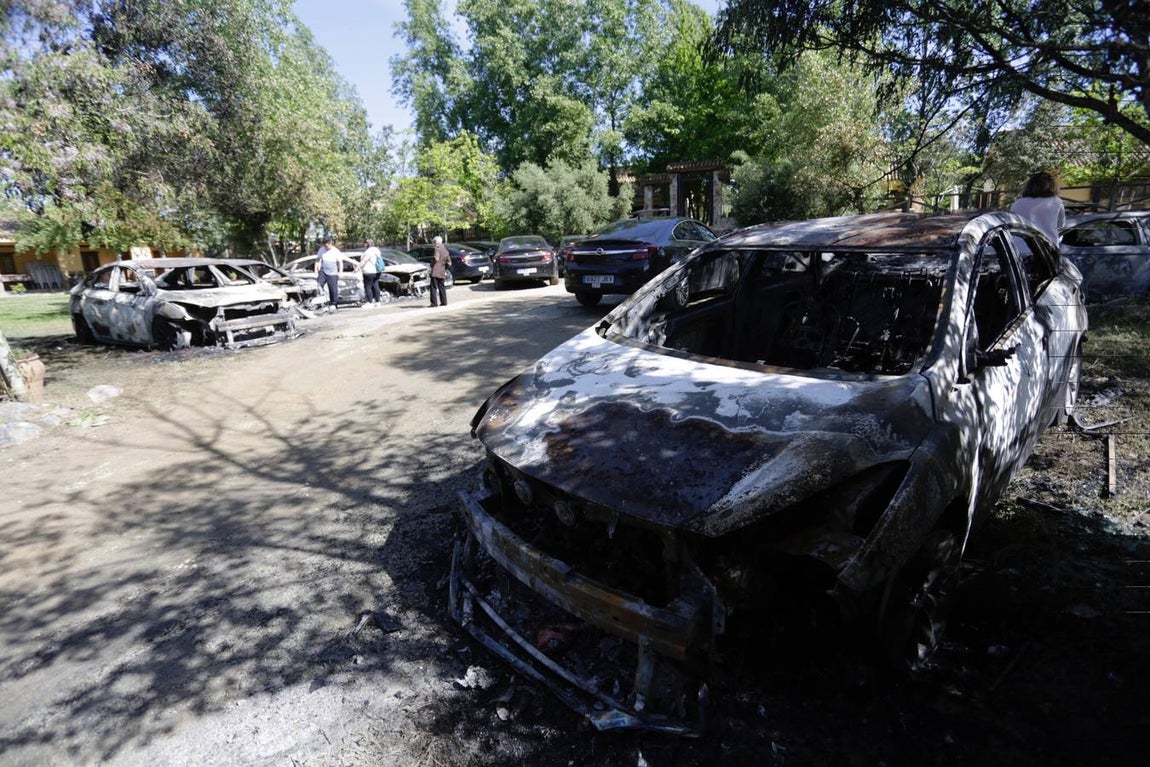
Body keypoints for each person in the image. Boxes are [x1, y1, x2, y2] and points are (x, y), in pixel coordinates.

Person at [1010, 171, 1066, 246]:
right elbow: (1061, 225)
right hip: (1047, 248)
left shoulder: (1018, 203)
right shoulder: (1056, 201)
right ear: (1052, 186)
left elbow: (1012, 226)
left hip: (1020, 247)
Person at [314, 238, 343, 309]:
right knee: (318, 285)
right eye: (325, 245)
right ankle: (319, 302)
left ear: (331, 243)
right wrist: (315, 269)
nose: (327, 247)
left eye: (328, 245)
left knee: (332, 288)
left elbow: (340, 262)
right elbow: (317, 259)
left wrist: (340, 272)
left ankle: (334, 303)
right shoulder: (321, 250)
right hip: (323, 271)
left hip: (332, 272)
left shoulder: (335, 251)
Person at [360, 239, 383, 305]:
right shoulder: (376, 250)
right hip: (377, 271)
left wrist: (358, 267)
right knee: (375, 285)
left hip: (369, 271)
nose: (364, 245)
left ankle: (369, 302)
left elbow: (365, 260)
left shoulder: (369, 251)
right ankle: (377, 301)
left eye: (365, 243)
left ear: (367, 244)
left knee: (368, 287)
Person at [429, 235, 451, 307]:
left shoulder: (437, 249)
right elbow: (449, 263)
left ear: (436, 242)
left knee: (433, 287)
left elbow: (436, 258)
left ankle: (434, 303)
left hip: (435, 271)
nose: (433, 244)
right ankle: (444, 302)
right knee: (442, 287)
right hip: (442, 271)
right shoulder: (446, 251)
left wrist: (432, 265)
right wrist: (444, 268)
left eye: (433, 242)